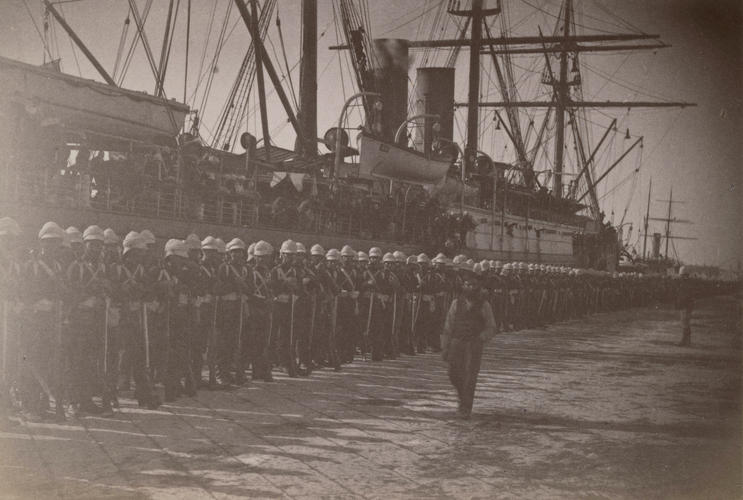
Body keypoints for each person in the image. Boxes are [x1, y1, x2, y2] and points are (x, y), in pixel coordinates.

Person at [441, 268, 497, 420]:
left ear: (477, 286)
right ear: (463, 286)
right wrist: (445, 347)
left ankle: (466, 407)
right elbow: (448, 326)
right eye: (467, 284)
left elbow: (491, 326)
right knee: (453, 374)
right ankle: (461, 395)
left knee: (470, 376)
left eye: (473, 285)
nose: (470, 288)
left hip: (474, 345)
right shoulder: (455, 303)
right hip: (456, 343)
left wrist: (482, 337)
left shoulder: (484, 305)